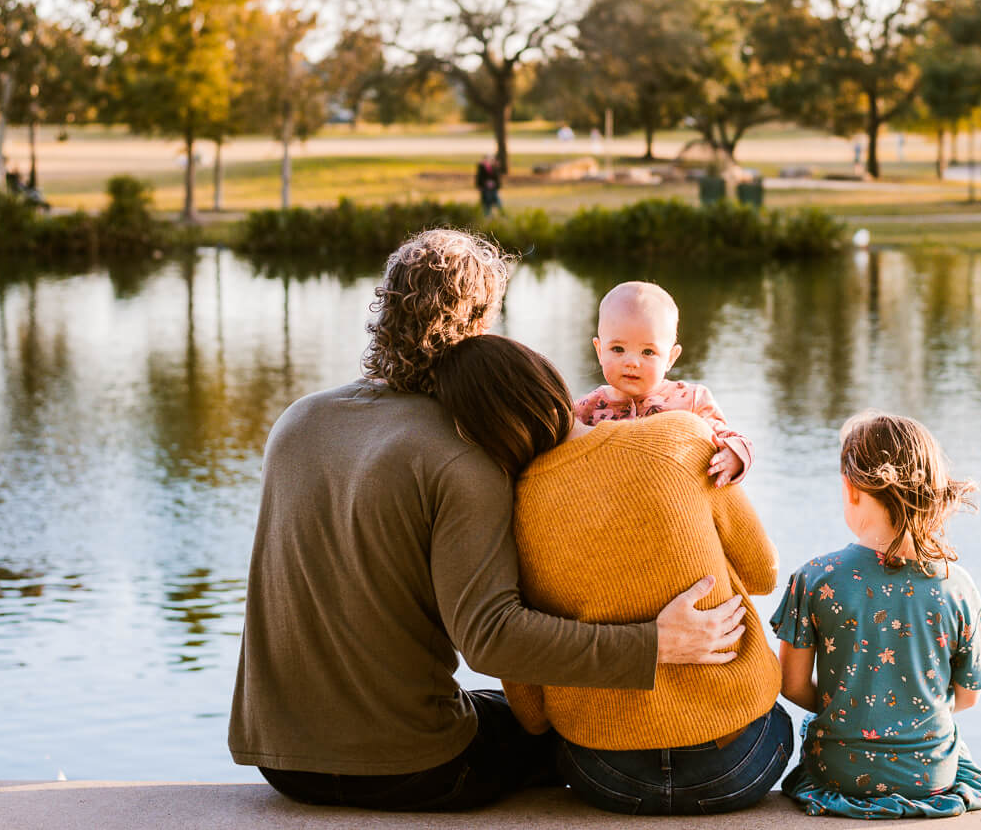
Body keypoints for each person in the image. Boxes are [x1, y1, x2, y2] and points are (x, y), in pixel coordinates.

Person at [228, 229, 749, 811]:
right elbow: (492, 639)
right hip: (414, 767)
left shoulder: (296, 424)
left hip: (281, 761)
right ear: (477, 326)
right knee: (566, 722)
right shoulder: (464, 450)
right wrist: (653, 644)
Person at [432, 334, 792, 815]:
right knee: (781, 720)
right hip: (738, 763)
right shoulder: (681, 437)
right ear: (549, 380)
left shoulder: (510, 508)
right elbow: (764, 572)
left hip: (605, 773)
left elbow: (532, 710)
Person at [772, 411, 981, 817]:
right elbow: (968, 698)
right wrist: (905, 715)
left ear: (850, 489)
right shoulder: (957, 585)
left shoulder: (815, 578)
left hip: (838, 772)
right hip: (930, 774)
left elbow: (791, 687)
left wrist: (854, 713)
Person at [576, 281, 754, 486]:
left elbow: (731, 439)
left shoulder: (690, 400)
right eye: (617, 349)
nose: (632, 362)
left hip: (671, 502)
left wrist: (733, 456)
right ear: (599, 351)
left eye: (648, 352)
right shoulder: (585, 409)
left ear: (671, 357)